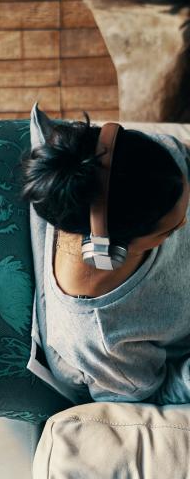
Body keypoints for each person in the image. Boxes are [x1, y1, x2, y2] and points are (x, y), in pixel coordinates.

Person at [18, 106, 190, 405]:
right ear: (109, 250)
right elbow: (154, 394)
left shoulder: (151, 165)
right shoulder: (102, 339)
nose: (184, 222)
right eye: (169, 230)